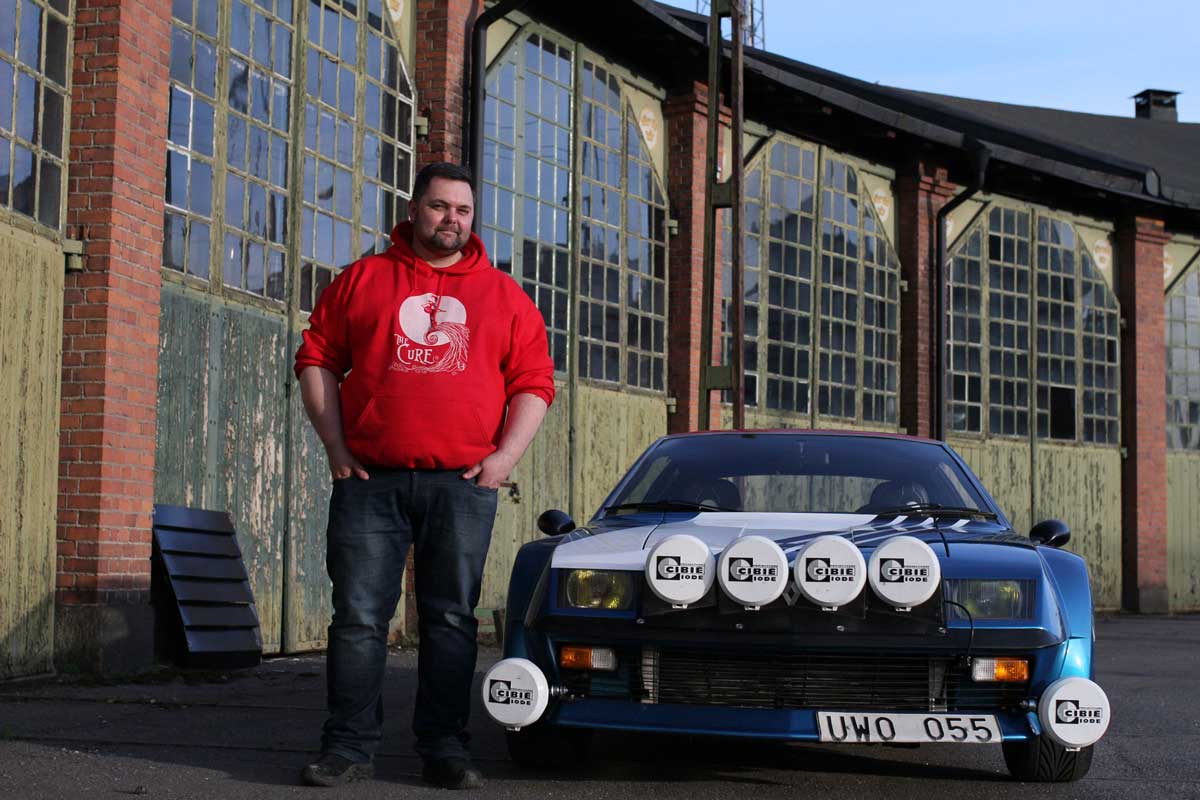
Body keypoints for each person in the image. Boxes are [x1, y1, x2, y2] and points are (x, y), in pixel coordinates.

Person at [293, 162, 555, 789]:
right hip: (370, 482)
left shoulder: (504, 297)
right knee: (357, 618)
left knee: (450, 619)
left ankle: (445, 748)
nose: (451, 220)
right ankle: (348, 748)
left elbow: (534, 383)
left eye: (462, 210)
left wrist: (504, 460)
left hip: (463, 485)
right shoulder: (363, 280)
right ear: (414, 210)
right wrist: (335, 444)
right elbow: (316, 358)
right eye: (439, 207)